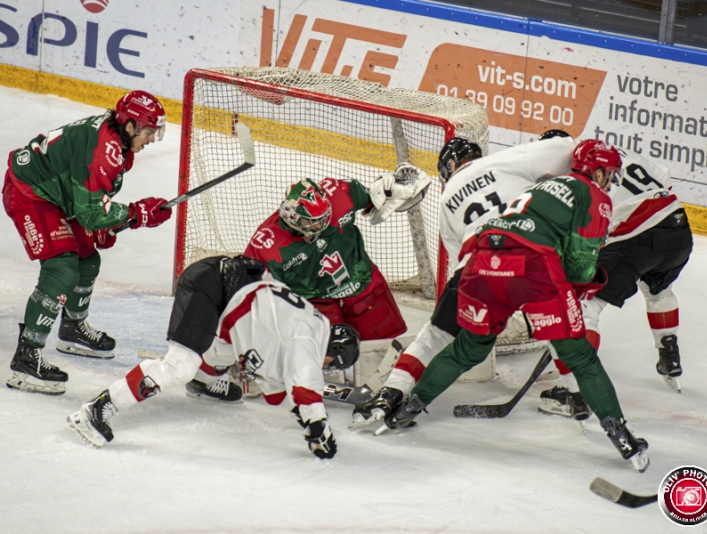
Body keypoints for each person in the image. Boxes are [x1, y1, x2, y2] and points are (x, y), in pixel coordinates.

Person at [356, 139, 651, 472]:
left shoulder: (537, 187)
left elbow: (460, 256)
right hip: (534, 267)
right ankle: (620, 434)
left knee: (467, 349)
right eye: (608, 174)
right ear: (596, 172)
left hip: (481, 261)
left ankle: (410, 407)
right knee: (578, 354)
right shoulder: (593, 196)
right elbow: (580, 267)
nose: (610, 181)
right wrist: (591, 280)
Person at [351, 132, 578, 427]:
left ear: (448, 169)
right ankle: (575, 392)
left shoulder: (447, 200)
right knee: (564, 321)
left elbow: (462, 262)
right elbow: (567, 147)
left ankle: (390, 393)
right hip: (532, 261)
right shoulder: (507, 160)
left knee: (434, 336)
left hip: (479, 269)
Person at [67, 255, 360, 459]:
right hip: (213, 286)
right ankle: (99, 407)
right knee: (179, 366)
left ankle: (204, 382)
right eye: (331, 363)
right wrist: (317, 425)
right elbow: (305, 380)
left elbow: (276, 390)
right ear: (330, 349)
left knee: (228, 352)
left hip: (231, 298)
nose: (325, 368)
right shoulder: (310, 336)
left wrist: (302, 416)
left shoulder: (306, 326)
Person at [2, 91, 172, 395]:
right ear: (131, 126)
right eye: (148, 132)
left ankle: (71, 329)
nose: (151, 139)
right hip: (31, 193)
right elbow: (92, 214)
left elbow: (94, 201)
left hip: (61, 195)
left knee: (88, 260)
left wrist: (111, 221)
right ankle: (26, 358)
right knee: (62, 271)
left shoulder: (118, 140)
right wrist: (135, 214)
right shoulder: (105, 150)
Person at [539, 140, 693, 420]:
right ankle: (668, 352)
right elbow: (664, 182)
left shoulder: (577, 175)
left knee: (585, 309)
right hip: (678, 228)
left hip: (636, 238)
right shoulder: (613, 154)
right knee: (659, 291)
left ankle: (575, 394)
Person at [244, 172, 428, 341]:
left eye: (324, 217)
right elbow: (252, 293)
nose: (321, 225)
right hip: (315, 304)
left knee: (385, 349)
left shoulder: (339, 194)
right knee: (327, 360)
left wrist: (389, 191)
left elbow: (374, 197)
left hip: (363, 285)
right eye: (313, 222)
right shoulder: (267, 246)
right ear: (291, 216)